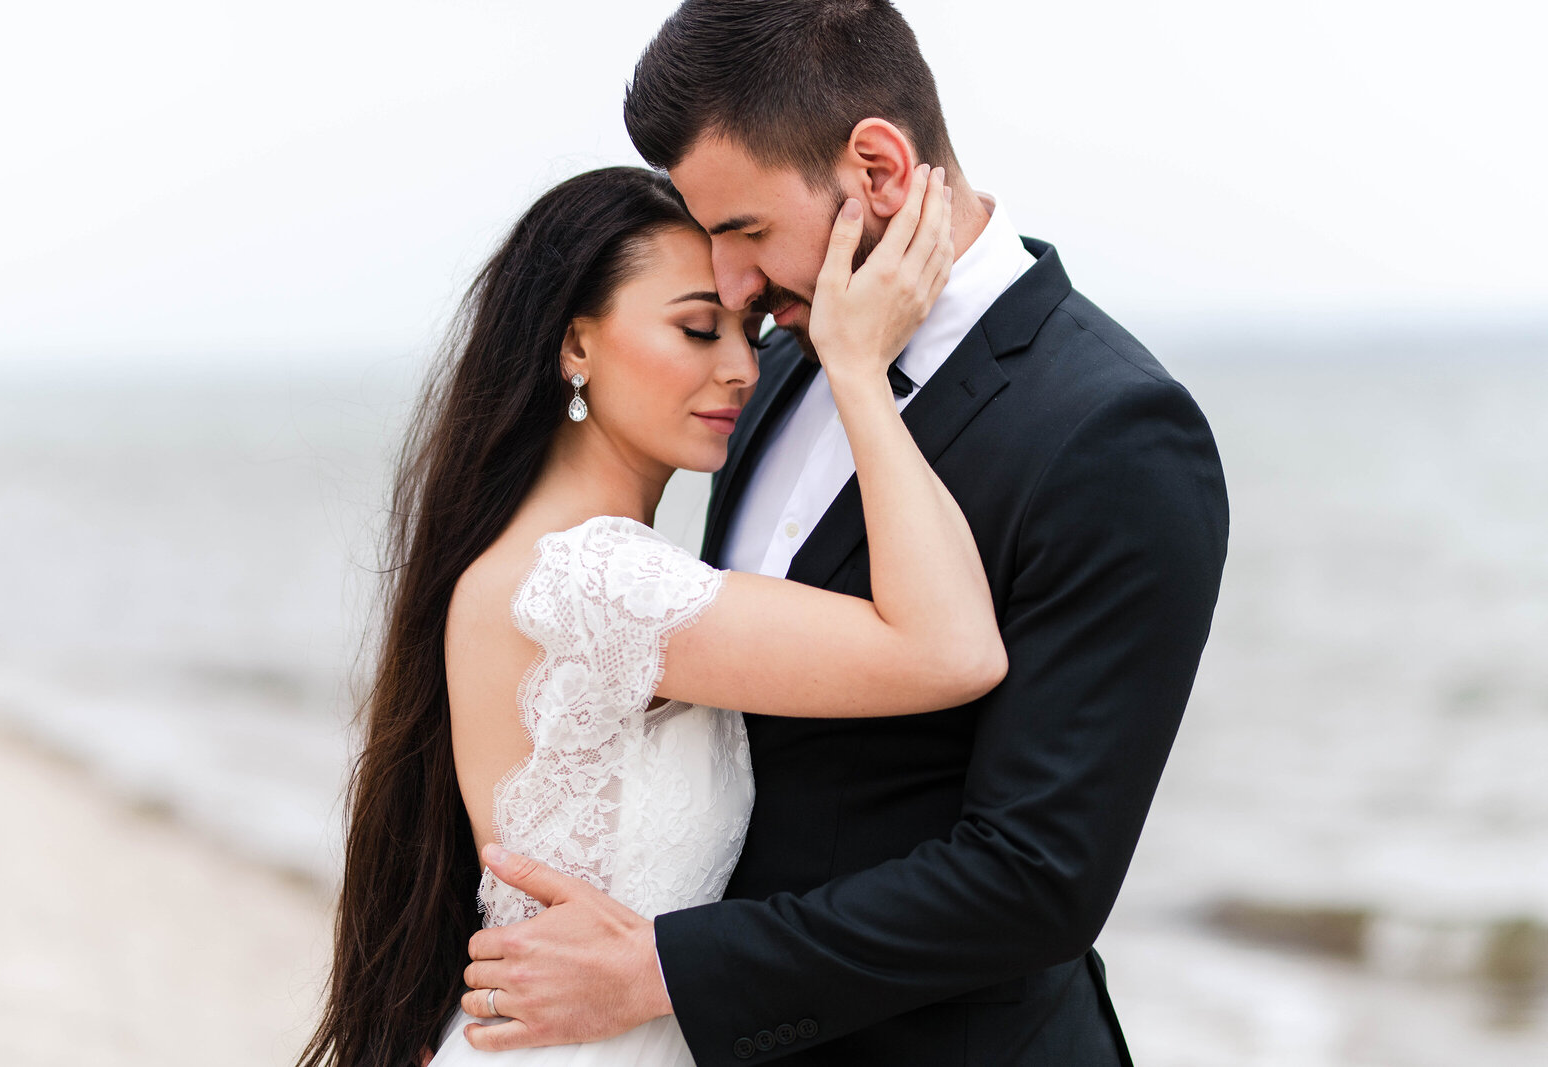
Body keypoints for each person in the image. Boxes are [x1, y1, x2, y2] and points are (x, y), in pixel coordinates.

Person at [457, 2, 1230, 1065]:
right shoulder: (768, 369)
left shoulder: (1113, 432)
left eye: (745, 233)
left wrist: (669, 970)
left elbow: (1036, 875)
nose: (730, 285)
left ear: (875, 167)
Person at [296, 160, 999, 1067]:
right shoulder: (590, 579)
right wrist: (858, 371)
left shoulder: (545, 562)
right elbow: (950, 649)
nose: (744, 366)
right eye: (698, 328)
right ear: (575, 345)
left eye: (747, 327)